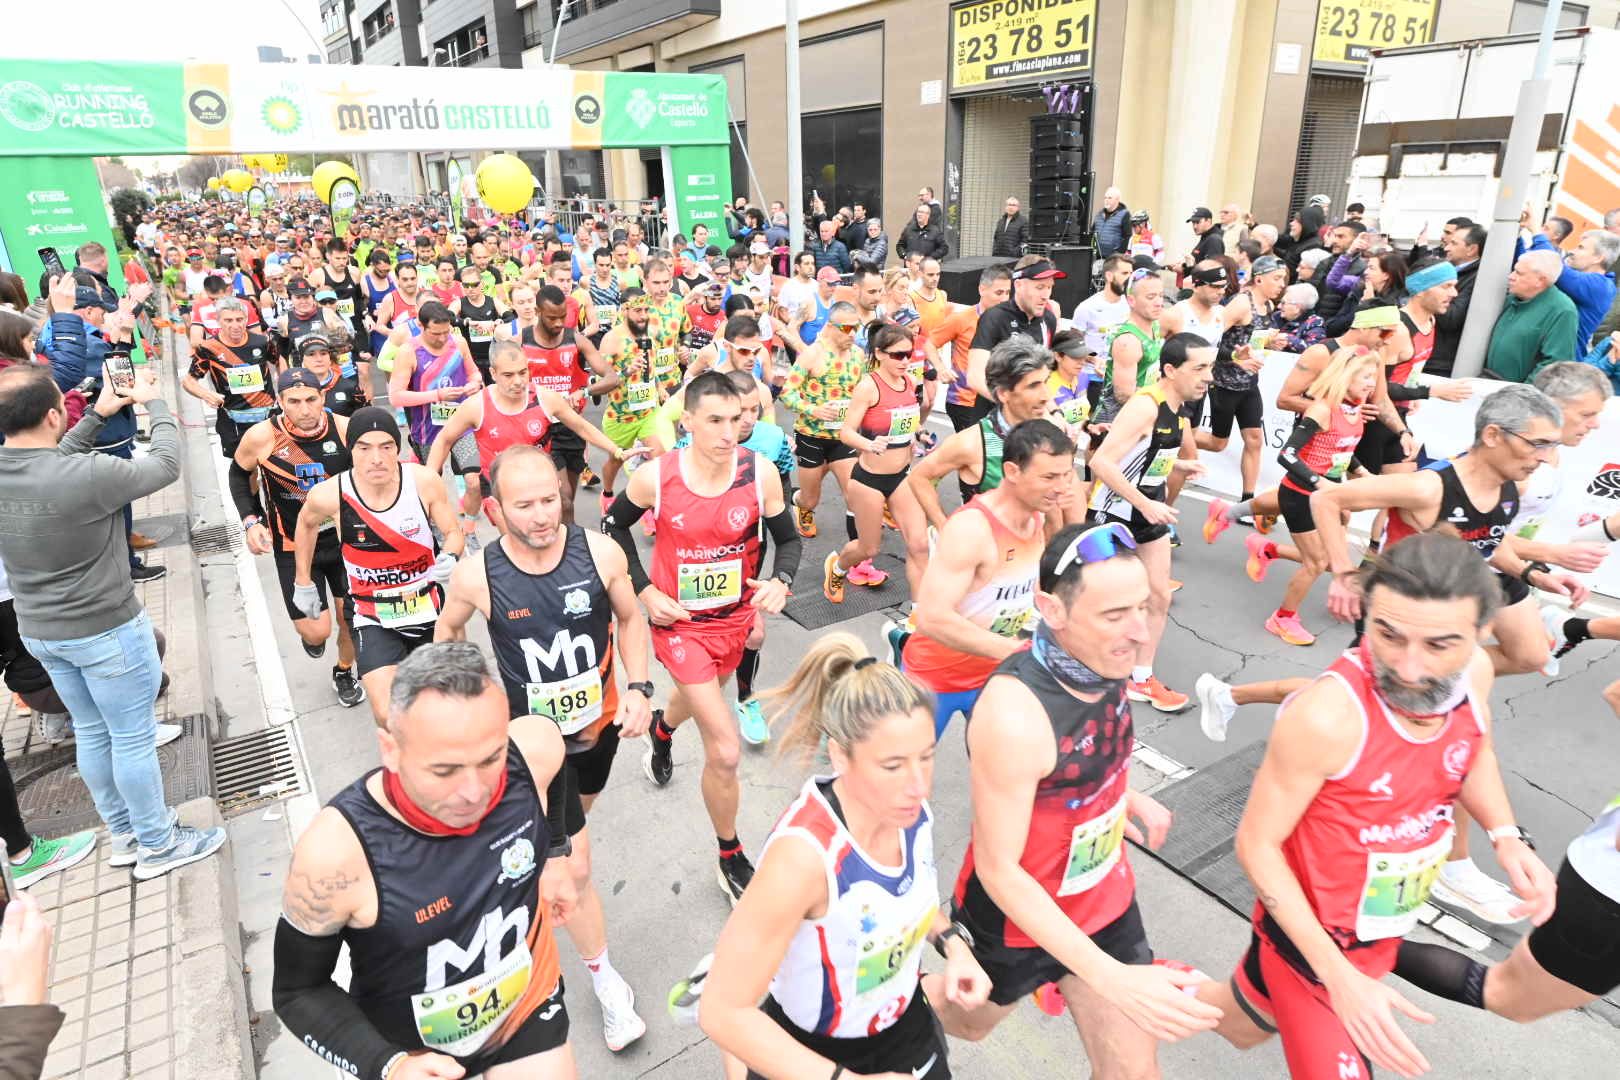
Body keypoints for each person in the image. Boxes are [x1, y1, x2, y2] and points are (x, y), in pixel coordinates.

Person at [1195, 533, 1555, 1080]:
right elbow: (1257, 845)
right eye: (1387, 635)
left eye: (1439, 645)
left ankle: (1135, 984)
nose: (1408, 668)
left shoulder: (1474, 674)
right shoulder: (1326, 717)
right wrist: (1338, 978)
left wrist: (1505, 835)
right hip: (1312, 946)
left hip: (1384, 925)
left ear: (1482, 633)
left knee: (1241, 1025)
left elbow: (1472, 746)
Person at [928, 522, 1221, 1070]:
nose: (1139, 632)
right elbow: (1000, 870)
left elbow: (1083, 756)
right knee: (966, 1025)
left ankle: (1070, 977)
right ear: (1052, 610)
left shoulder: (1100, 659)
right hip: (1016, 919)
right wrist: (1111, 978)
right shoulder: (1014, 714)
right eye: (1115, 615)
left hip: (1105, 903)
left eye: (1143, 607)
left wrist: (1126, 795)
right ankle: (876, 1008)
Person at [272, 643, 579, 1080]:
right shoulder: (336, 855)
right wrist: (389, 1067)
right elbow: (297, 991)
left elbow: (554, 758)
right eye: (445, 771)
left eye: (490, 759)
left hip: (523, 1011)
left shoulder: (532, 750)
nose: (475, 791)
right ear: (390, 749)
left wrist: (554, 856)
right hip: (412, 1055)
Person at [434, 446, 653, 1054]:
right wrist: (464, 702)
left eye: (550, 499)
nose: (541, 515)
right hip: (534, 750)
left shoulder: (601, 552)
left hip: (598, 732)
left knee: (570, 831)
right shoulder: (478, 575)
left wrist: (638, 687)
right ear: (496, 510)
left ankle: (526, 863)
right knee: (573, 866)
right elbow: (447, 633)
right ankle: (606, 982)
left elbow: (632, 620)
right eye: (524, 505)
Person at [698, 634, 991, 1080]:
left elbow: (909, 898)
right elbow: (721, 1012)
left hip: (905, 1029)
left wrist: (952, 946)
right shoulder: (802, 859)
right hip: (812, 1054)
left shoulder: (911, 815)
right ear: (839, 754)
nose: (919, 785)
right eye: (892, 765)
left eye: (927, 757)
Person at [0, 365, 228, 879]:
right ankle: (158, 843)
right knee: (130, 737)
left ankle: (125, 834)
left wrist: (99, 415)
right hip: (106, 629)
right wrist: (157, 405)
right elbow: (166, 465)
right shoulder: (87, 477)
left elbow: (46, 463)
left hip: (41, 631)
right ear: (55, 414)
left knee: (92, 732)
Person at [602, 372, 801, 904]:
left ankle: (663, 733)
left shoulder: (759, 475)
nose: (728, 432)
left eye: (736, 420)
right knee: (726, 749)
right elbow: (611, 527)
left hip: (734, 619)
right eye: (714, 420)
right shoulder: (655, 477)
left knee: (702, 692)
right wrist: (644, 592)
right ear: (685, 422)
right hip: (681, 626)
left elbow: (789, 540)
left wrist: (781, 583)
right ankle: (730, 855)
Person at [292, 408, 463, 727]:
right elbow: (306, 526)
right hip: (372, 617)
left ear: (397, 449)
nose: (376, 458)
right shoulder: (330, 495)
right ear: (351, 450)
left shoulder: (423, 482)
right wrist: (303, 582)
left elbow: (453, 533)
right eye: (364, 448)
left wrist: (450, 556)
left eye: (386, 446)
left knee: (448, 706)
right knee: (388, 714)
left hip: (430, 609)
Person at [904, 419, 1073, 736]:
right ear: (1012, 472)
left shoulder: (1036, 515)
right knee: (904, 779)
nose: (1063, 488)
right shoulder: (972, 529)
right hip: (935, 677)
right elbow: (931, 617)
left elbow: (1022, 584)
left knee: (1010, 776)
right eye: (1050, 477)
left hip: (994, 675)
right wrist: (1016, 651)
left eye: (1066, 475)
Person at [1208, 346, 1380, 648]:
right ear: (1345, 376)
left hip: (1326, 496)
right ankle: (1283, 617)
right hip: (1303, 494)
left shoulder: (1355, 411)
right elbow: (1287, 455)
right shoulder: (1323, 409)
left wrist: (1364, 474)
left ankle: (1238, 524)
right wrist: (1320, 482)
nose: (1372, 383)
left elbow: (1343, 451)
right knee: (1318, 562)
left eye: (1374, 376)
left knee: (1328, 558)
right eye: (1365, 376)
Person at [1086, 333, 1214, 713]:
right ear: (1171, 370)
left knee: (1160, 595)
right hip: (1115, 513)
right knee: (1098, 598)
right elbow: (1102, 462)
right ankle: (1078, 664)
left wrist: (1175, 464)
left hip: (1149, 508)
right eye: (1200, 368)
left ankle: (1140, 678)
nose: (1208, 377)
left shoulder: (1179, 406)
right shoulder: (1145, 406)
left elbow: (1145, 453)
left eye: (1210, 367)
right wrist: (1144, 502)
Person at [38, 274, 164, 578]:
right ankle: (127, 564)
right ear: (85, 311)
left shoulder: (57, 334)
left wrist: (122, 333)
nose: (105, 315)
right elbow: (119, 382)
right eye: (99, 309)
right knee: (117, 505)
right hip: (102, 433)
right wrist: (141, 382)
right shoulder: (82, 342)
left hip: (91, 431)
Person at [427, 340, 624, 529]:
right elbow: (444, 439)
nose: (518, 381)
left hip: (536, 484)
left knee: (553, 526)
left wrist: (616, 450)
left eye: (523, 372)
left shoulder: (544, 398)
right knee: (514, 541)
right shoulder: (476, 406)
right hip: (500, 490)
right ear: (493, 374)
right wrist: (428, 482)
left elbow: (581, 426)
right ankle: (470, 526)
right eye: (508, 375)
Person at [821, 322, 931, 602]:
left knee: (919, 544)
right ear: (879, 354)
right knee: (869, 549)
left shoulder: (910, 382)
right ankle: (838, 564)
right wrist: (868, 444)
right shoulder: (868, 387)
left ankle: (919, 617)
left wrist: (919, 433)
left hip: (902, 478)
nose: (905, 361)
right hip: (868, 480)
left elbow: (908, 420)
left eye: (909, 354)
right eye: (897, 355)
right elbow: (846, 432)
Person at [908, 337, 1055, 528]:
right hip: (985, 553)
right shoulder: (971, 442)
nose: (1045, 396)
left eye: (1045, 382)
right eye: (1033, 386)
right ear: (1003, 393)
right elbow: (920, 478)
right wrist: (945, 528)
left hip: (1033, 551)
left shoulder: (1049, 432)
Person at [1195, 255, 1288, 507]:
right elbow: (1208, 339)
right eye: (1277, 278)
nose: (1282, 284)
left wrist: (1270, 341)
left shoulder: (1267, 306)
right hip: (1224, 384)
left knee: (1255, 439)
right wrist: (1234, 358)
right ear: (1259, 279)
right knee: (1218, 443)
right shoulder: (1241, 304)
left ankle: (1247, 502)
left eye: (1284, 279)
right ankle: (1178, 436)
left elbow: (1251, 338)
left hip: (1249, 384)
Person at [780, 302, 865, 544]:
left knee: (854, 494)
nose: (852, 334)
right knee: (811, 499)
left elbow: (863, 392)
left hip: (842, 437)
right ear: (830, 327)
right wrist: (814, 410)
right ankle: (800, 504)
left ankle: (858, 557)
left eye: (856, 328)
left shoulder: (858, 355)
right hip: (811, 436)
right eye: (846, 328)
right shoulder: (813, 354)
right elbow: (787, 394)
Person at [382, 300, 481, 462]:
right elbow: (396, 397)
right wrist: (437, 395)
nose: (442, 338)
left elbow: (474, 373)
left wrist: (475, 384)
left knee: (473, 479)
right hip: (427, 429)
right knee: (431, 479)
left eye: (446, 332)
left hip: (461, 424)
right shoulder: (408, 351)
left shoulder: (458, 343)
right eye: (436, 334)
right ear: (421, 326)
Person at [182, 297, 280, 459]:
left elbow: (280, 362)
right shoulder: (208, 348)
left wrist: (283, 386)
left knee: (274, 463)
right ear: (218, 321)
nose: (235, 325)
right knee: (244, 469)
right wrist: (207, 395)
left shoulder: (262, 342)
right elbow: (188, 381)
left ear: (246, 320)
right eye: (228, 320)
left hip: (267, 415)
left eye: (239, 320)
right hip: (233, 419)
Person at [964, 256, 1062, 414]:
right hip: (994, 419)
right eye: (1039, 287)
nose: (1046, 295)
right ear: (1018, 285)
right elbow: (975, 377)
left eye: (1049, 287)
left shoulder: (1048, 320)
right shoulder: (995, 317)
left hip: (1028, 423)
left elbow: (1043, 379)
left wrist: (1055, 412)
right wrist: (1014, 406)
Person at [931, 265, 1012, 432]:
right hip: (965, 402)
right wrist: (941, 368)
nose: (1004, 298)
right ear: (982, 289)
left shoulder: (1011, 322)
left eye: (1007, 293)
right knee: (975, 454)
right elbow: (929, 343)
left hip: (997, 401)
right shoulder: (962, 319)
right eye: (999, 293)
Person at [1484, 249, 1579, 382]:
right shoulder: (1512, 298)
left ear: (1540, 281)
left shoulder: (1563, 310)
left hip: (1516, 395)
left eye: (1519, 273)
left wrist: (1522, 394)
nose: (1510, 276)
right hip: (1487, 381)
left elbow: (1555, 364)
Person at [1093, 268, 1165, 426]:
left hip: (1143, 410)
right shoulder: (1128, 341)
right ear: (1131, 300)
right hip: (1116, 419)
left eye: (1161, 295)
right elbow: (1124, 395)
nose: (1159, 302)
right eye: (1151, 297)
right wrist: (1162, 398)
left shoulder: (1155, 325)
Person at [1552, 228, 1619, 358]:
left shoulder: (1599, 285)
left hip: (1564, 365)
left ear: (1598, 258)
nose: (1572, 251)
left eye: (1580, 248)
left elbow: (1550, 266)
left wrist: (1537, 232)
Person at [1072, 253, 1131, 365]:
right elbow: (1074, 345)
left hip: (1121, 374)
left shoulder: (1131, 304)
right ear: (1109, 276)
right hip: (1092, 375)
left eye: (1130, 273)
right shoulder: (1087, 307)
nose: (1129, 278)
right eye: (1124, 273)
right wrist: (1095, 360)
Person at [295, 335, 362, 417]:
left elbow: (364, 423)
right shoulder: (294, 390)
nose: (319, 359)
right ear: (302, 360)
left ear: (330, 359)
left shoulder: (350, 387)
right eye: (311, 354)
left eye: (323, 353)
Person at [1092, 188, 1131, 257]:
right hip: (1097, 256)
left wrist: (1119, 253)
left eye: (1110, 198)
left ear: (1117, 200)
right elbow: (1092, 232)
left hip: (1113, 257)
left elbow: (1127, 236)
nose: (1106, 200)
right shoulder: (1099, 214)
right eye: (1105, 198)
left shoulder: (1124, 214)